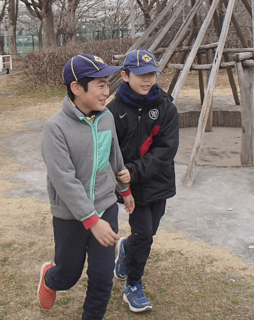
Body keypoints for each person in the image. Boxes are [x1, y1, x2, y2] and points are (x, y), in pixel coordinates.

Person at [38, 54, 135, 320]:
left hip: (105, 208)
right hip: (71, 216)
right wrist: (91, 220)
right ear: (76, 88)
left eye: (108, 84)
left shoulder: (106, 117)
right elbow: (64, 180)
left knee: (103, 278)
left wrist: (123, 189)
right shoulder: (55, 128)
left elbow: (113, 155)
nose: (107, 92)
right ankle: (50, 277)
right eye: (100, 85)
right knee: (68, 275)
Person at [107, 49, 179, 313]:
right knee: (145, 235)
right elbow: (110, 150)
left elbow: (166, 150)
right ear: (125, 75)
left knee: (148, 233)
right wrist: (125, 180)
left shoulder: (166, 106)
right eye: (140, 74)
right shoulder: (112, 110)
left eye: (151, 74)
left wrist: (135, 170)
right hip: (131, 189)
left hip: (158, 183)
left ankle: (126, 248)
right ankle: (133, 286)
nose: (147, 80)